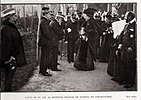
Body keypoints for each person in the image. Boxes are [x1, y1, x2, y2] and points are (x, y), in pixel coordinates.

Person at [1, 8, 27, 91]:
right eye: (15, 15)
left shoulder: (10, 27)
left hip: (12, 58)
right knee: (8, 79)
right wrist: (9, 58)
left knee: (9, 79)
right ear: (10, 17)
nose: (16, 17)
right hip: (10, 59)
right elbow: (5, 45)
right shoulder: (6, 29)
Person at [116, 11, 136, 88]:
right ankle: (124, 79)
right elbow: (122, 35)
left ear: (130, 17)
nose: (125, 18)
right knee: (124, 64)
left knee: (130, 65)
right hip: (124, 48)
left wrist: (132, 47)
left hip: (130, 49)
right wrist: (120, 44)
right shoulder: (126, 25)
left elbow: (136, 39)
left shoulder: (135, 26)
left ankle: (130, 82)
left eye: (126, 17)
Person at [38, 7, 53, 76]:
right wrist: (51, 38)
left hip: (44, 42)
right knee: (46, 57)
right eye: (49, 14)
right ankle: (44, 71)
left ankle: (42, 70)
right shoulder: (44, 22)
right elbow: (46, 33)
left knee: (44, 56)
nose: (50, 16)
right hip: (46, 42)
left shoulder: (44, 21)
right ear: (46, 14)